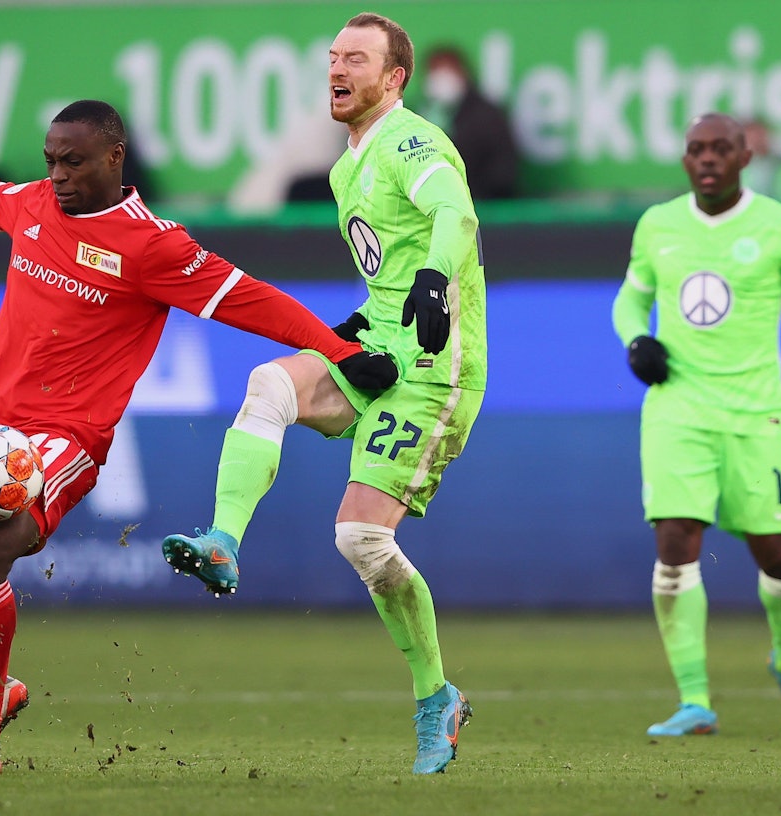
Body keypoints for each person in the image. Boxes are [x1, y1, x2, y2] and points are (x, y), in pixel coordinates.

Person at [0, 100, 398, 777]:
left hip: (62, 441)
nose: (59, 175)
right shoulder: (34, 204)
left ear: (113, 159)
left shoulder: (152, 245)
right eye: (50, 160)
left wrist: (337, 351)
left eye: (73, 161)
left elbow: (250, 297)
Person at [162, 13, 486, 775]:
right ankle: (222, 543)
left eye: (357, 59)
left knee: (362, 540)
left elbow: (455, 214)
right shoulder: (346, 169)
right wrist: (348, 333)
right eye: (333, 57)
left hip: (437, 371)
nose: (338, 69)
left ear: (394, 77)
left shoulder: (415, 142)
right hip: (383, 347)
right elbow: (387, 275)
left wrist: (437, 280)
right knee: (270, 381)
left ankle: (436, 697)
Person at [611, 112, 781, 738]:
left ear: (746, 157)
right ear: (684, 160)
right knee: (675, 542)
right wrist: (636, 339)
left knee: (779, 559)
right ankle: (695, 700)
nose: (708, 159)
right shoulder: (658, 225)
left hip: (758, 415)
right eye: (696, 149)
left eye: (721, 148)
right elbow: (631, 297)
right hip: (677, 409)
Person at [419, 45, 519, 200]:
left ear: (463, 73)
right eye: (435, 71)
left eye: (447, 71)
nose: (440, 78)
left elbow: (502, 171)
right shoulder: (416, 114)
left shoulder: (487, 115)